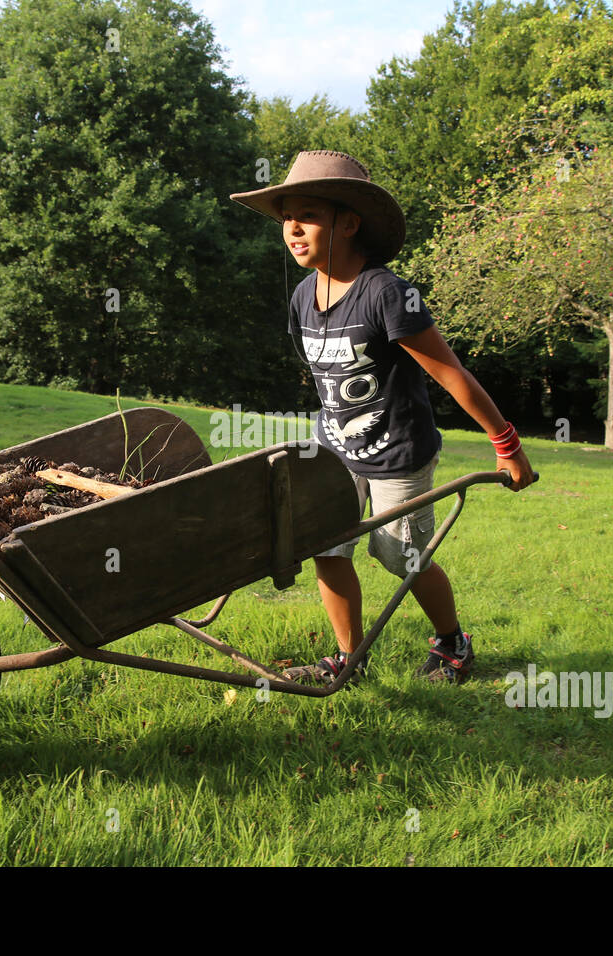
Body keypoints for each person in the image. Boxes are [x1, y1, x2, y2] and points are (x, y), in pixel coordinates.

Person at [229, 150, 535, 684]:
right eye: (286, 219)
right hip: (334, 446)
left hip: (398, 452)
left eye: (309, 216)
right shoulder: (304, 294)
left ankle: (452, 643)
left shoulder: (388, 293)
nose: (293, 229)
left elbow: (450, 373)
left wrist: (506, 445)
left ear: (348, 223)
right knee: (324, 545)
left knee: (400, 555)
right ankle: (350, 660)